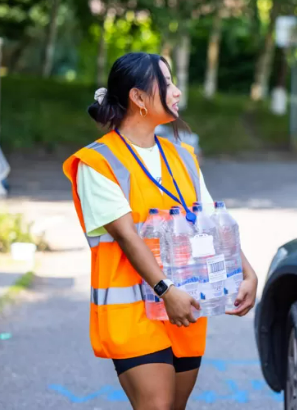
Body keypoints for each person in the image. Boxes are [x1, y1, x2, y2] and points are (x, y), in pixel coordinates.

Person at [62, 53, 258, 410]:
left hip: (184, 307)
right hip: (135, 313)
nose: (177, 92)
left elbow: (212, 223)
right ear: (138, 97)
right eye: (167, 83)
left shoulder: (181, 155)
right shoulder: (98, 162)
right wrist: (165, 290)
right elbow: (127, 237)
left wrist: (248, 272)